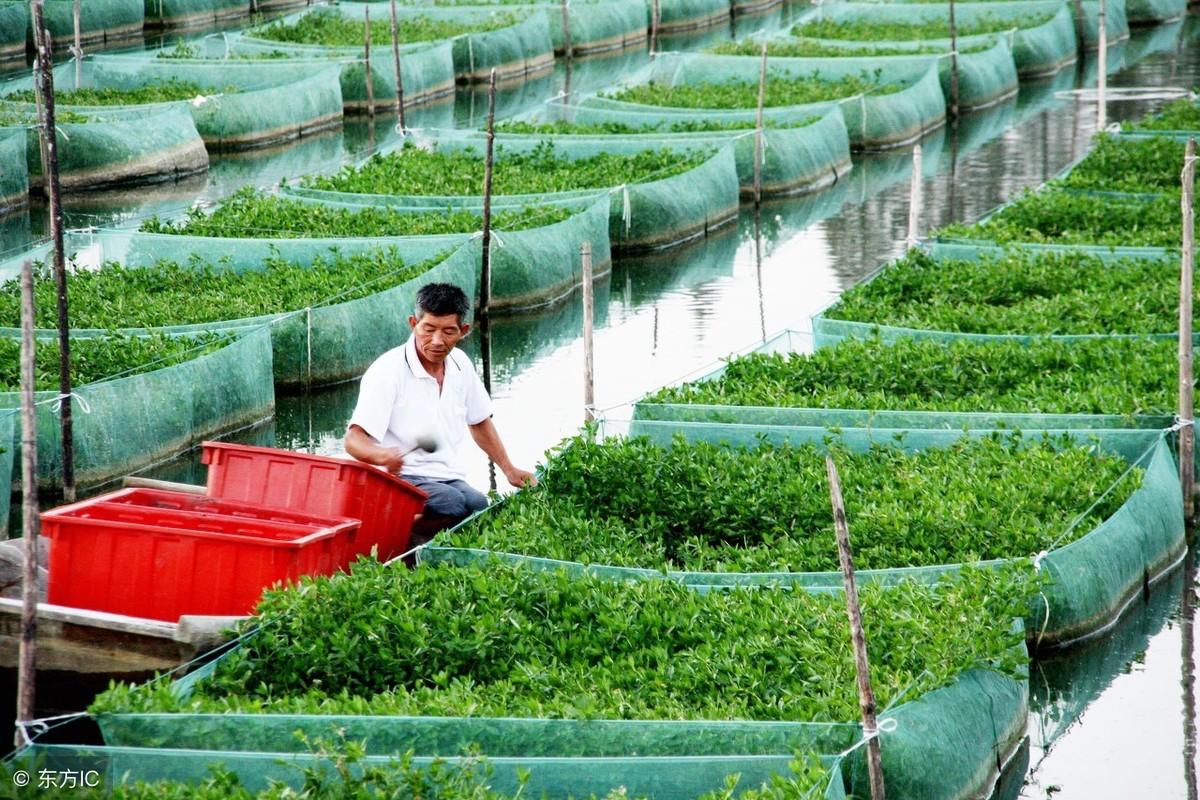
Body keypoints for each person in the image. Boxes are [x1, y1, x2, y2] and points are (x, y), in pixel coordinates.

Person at [344, 283, 536, 550]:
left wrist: (509, 469)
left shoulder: (461, 364)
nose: (437, 341)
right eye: (428, 329)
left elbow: (479, 421)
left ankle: (423, 550)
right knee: (450, 504)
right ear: (414, 323)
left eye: (448, 332)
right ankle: (391, 545)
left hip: (445, 475)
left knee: (478, 505)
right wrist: (382, 455)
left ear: (463, 331)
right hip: (397, 479)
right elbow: (353, 440)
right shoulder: (388, 371)